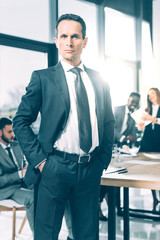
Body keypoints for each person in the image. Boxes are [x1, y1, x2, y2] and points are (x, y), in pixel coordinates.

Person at [13, 13, 115, 240]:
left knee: (87, 235)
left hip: (90, 169)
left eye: (75, 36)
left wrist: (102, 159)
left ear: (85, 41)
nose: (69, 42)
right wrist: (41, 162)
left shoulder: (99, 80)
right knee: (47, 235)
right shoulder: (42, 78)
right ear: (56, 40)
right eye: (64, 36)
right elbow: (20, 122)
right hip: (54, 168)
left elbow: (108, 122)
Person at [0, 117, 34, 232]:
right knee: (32, 198)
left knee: (48, 190)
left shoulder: (17, 146)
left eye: (13, 130)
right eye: (9, 132)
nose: (13, 134)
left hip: (23, 184)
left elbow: (24, 164)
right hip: (6, 189)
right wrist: (20, 174)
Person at [138, 87, 160, 210]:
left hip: (159, 141)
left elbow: (155, 121)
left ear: (157, 94)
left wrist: (154, 119)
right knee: (151, 171)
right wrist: (140, 125)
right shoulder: (147, 110)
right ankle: (154, 197)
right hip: (148, 142)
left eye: (152, 93)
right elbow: (142, 128)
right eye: (148, 94)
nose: (150, 96)